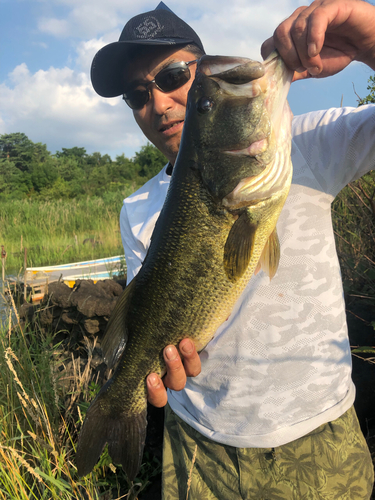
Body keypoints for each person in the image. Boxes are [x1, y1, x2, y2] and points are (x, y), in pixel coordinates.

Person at [91, 0, 375, 498]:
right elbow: (146, 317)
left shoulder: (310, 144)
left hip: (317, 433)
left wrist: (374, 43)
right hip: (197, 450)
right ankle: (116, 411)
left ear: (202, 71)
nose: (157, 103)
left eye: (175, 76)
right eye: (137, 95)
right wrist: (151, 373)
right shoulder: (136, 207)